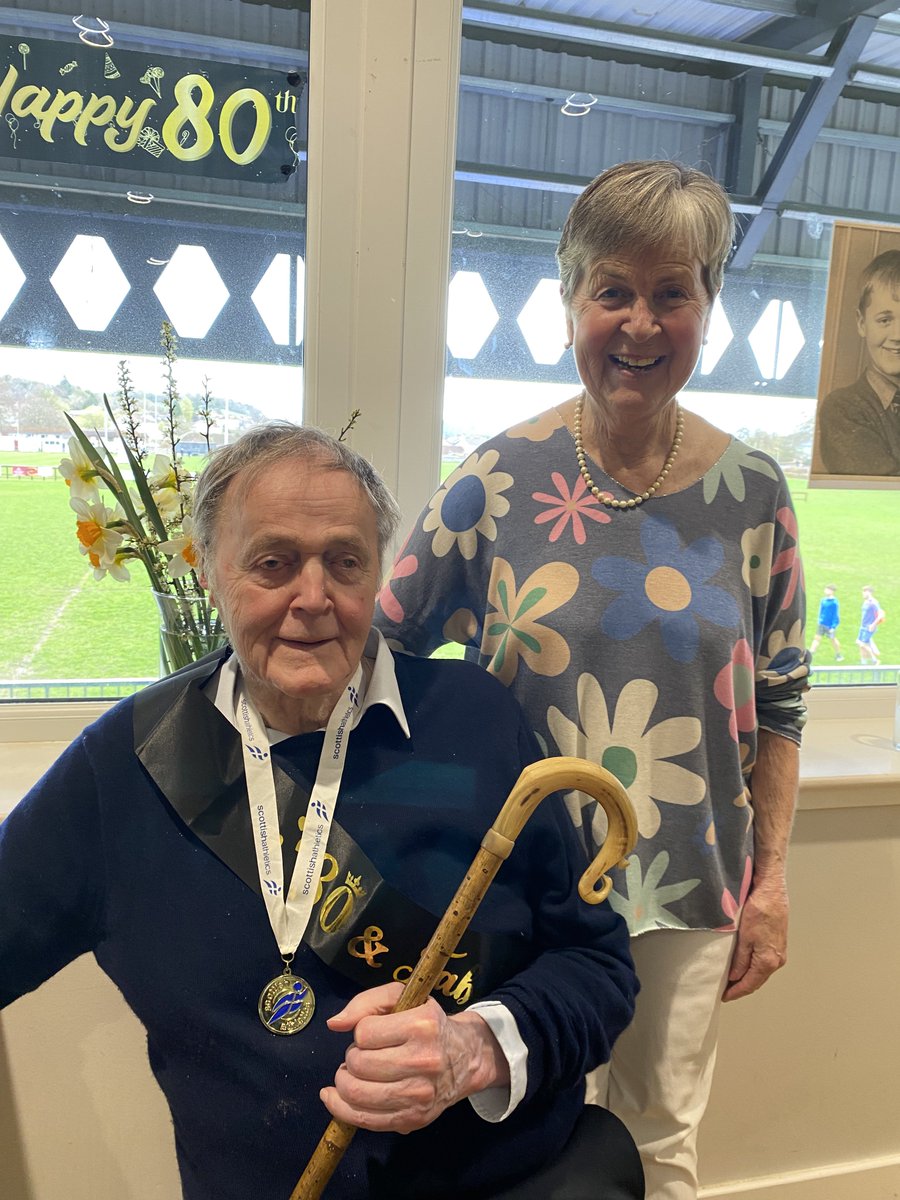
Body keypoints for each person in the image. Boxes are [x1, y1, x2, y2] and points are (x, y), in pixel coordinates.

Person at [0, 423, 643, 1200]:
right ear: (207, 571)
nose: (313, 599)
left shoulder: (476, 721)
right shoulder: (127, 766)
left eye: (345, 562)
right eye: (272, 564)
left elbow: (598, 967)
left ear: (378, 573)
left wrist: (474, 1049)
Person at [374, 160, 811, 1199]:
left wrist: (775, 880)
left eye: (674, 292)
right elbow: (383, 653)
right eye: (613, 290)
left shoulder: (753, 495)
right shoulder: (493, 480)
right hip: (524, 882)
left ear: (710, 305)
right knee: (519, 1140)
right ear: (570, 300)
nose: (642, 324)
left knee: (661, 1139)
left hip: (693, 883)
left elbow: (783, 697)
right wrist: (425, 815)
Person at [817, 249, 900, 476]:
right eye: (885, 320)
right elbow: (880, 497)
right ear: (862, 323)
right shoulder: (843, 409)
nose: (897, 335)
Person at [809, 585, 844, 661]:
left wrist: (833, 627)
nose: (825, 591)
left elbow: (836, 615)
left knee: (833, 640)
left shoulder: (834, 602)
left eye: (827, 589)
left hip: (830, 625)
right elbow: (821, 611)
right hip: (821, 623)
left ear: (832, 591)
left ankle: (838, 655)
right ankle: (811, 653)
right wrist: (819, 620)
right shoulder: (823, 600)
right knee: (817, 638)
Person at [856, 584, 884, 665]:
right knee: (859, 643)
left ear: (870, 592)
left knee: (862, 644)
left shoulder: (874, 602)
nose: (863, 593)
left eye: (865, 592)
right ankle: (863, 662)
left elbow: (881, 615)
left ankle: (875, 660)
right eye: (863, 592)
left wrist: (873, 624)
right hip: (863, 626)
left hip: (869, 627)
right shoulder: (865, 602)